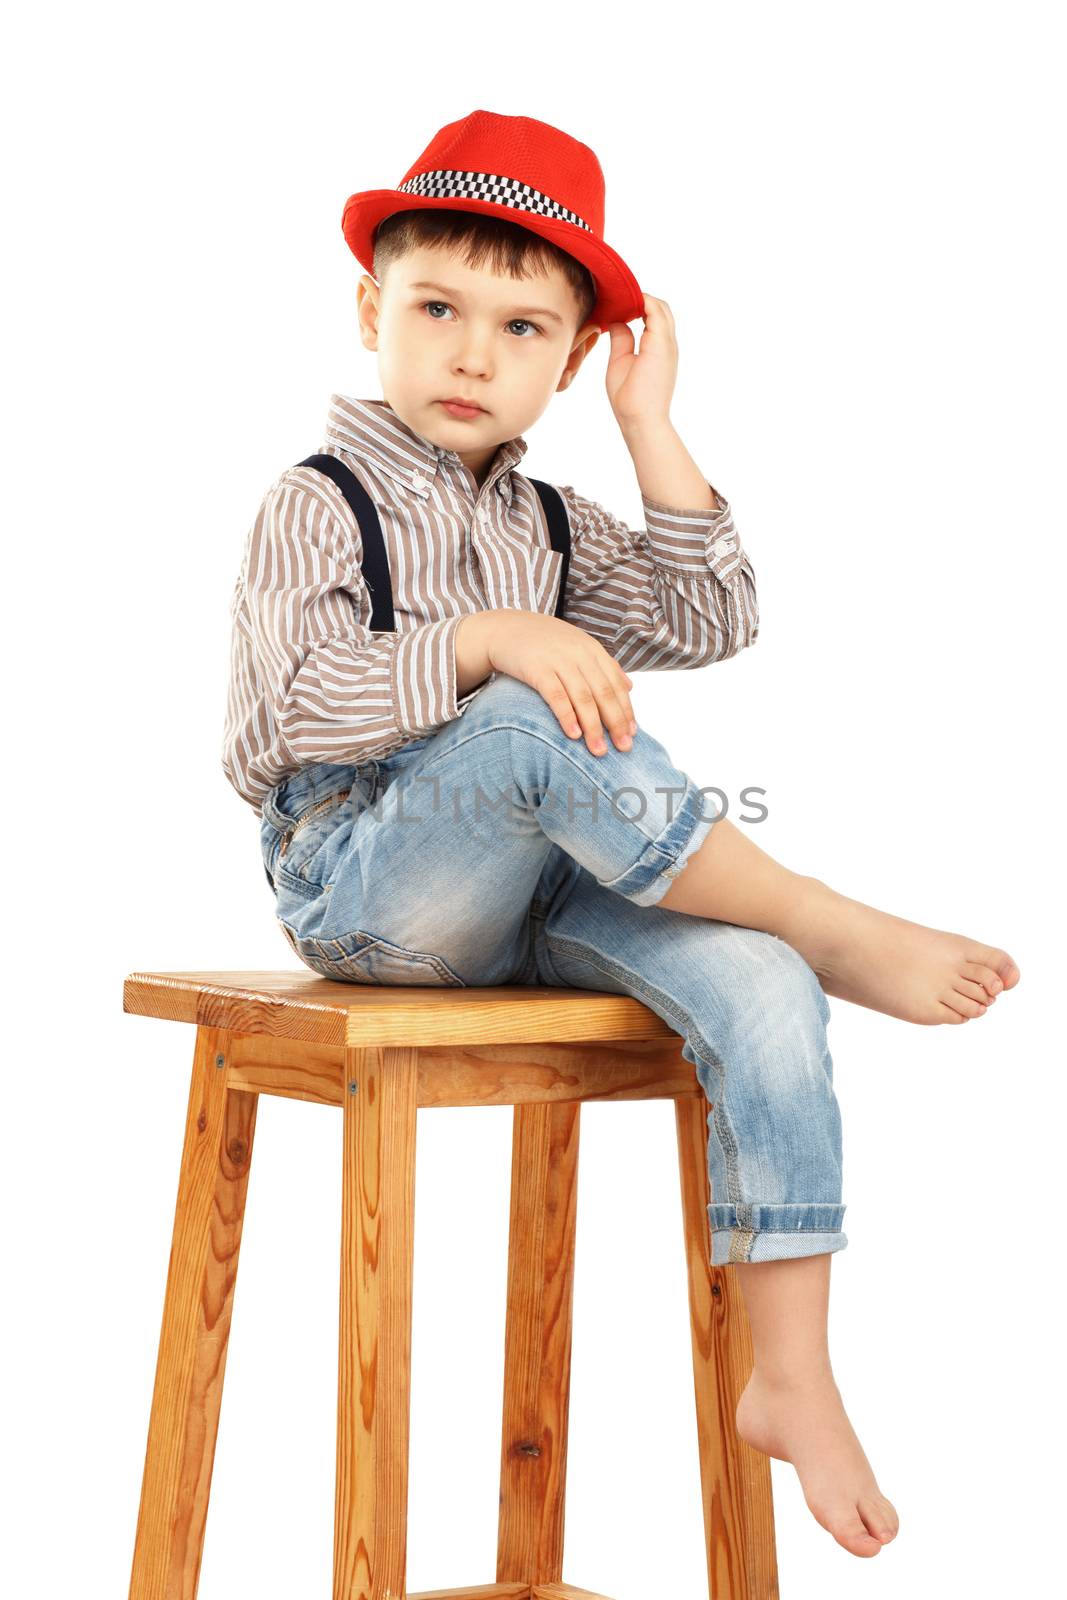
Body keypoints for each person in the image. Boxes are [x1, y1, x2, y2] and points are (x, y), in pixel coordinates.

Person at [221, 110, 1020, 1559]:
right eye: (439, 310)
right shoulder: (315, 503)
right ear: (370, 312)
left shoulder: (549, 517)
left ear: (572, 356)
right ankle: (823, 914)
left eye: (524, 327)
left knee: (756, 984)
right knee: (534, 718)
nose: (474, 353)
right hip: (364, 886)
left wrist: (650, 429)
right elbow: (280, 710)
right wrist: (485, 638)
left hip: (529, 902)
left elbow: (713, 618)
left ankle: (793, 1370)